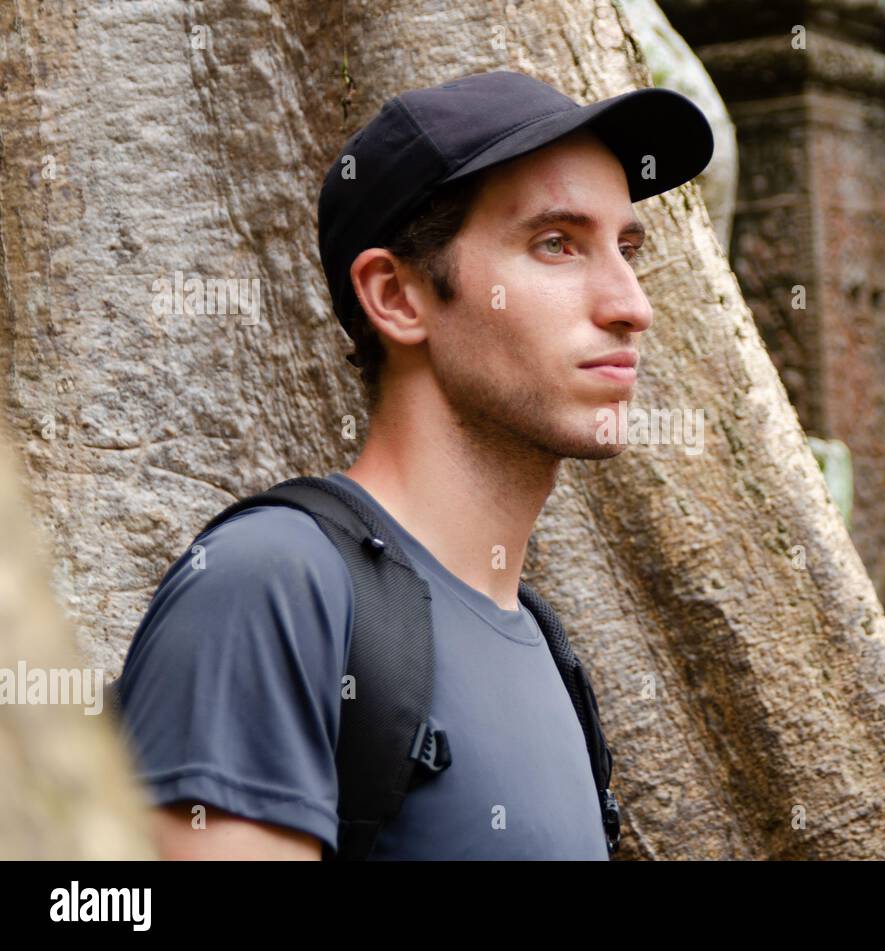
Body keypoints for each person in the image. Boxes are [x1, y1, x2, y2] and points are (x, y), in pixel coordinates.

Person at [114, 69, 714, 859]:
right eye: (556, 244)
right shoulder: (271, 586)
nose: (632, 303)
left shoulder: (543, 647)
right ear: (396, 296)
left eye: (627, 247)